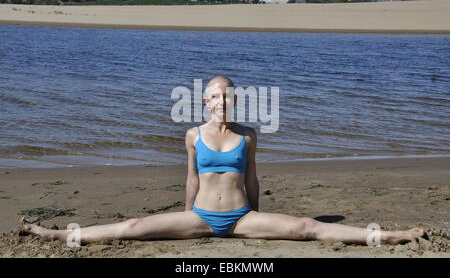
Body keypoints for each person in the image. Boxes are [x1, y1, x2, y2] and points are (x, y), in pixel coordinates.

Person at [21, 75, 424, 245]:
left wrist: (260, 218)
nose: (223, 101)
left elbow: (252, 179)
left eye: (230, 95)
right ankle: (61, 236)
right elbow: (192, 179)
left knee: (306, 227)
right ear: (206, 101)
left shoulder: (248, 135)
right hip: (199, 216)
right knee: (134, 226)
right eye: (216, 96)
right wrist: (184, 217)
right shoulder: (193, 134)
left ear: (236, 99)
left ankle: (386, 236)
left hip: (241, 218)